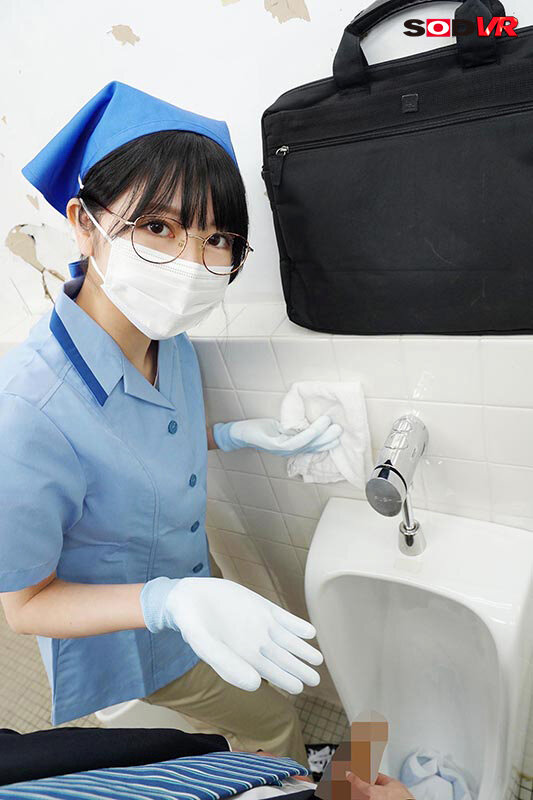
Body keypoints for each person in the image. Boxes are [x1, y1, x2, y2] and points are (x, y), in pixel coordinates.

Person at [0, 81, 343, 764]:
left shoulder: (167, 336)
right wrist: (169, 601)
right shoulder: (26, 413)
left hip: (184, 572)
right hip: (130, 629)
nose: (191, 264)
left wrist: (233, 434)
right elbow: (24, 605)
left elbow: (133, 439)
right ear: (83, 223)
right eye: (158, 226)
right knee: (270, 719)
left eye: (216, 238)